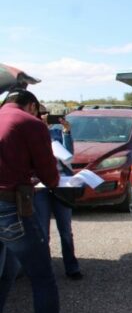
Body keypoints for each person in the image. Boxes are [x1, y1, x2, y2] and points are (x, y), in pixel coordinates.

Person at [0, 89, 81, 313]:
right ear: (32, 106)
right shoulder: (30, 123)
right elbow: (50, 174)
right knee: (42, 278)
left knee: (5, 273)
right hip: (11, 206)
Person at [35, 105, 83, 279]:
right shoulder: (31, 133)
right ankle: (44, 270)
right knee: (42, 231)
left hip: (61, 184)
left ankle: (72, 267)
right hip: (40, 187)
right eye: (40, 114)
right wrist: (43, 129)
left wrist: (66, 132)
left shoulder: (56, 133)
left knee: (65, 230)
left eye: (46, 114)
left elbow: (68, 154)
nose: (44, 117)